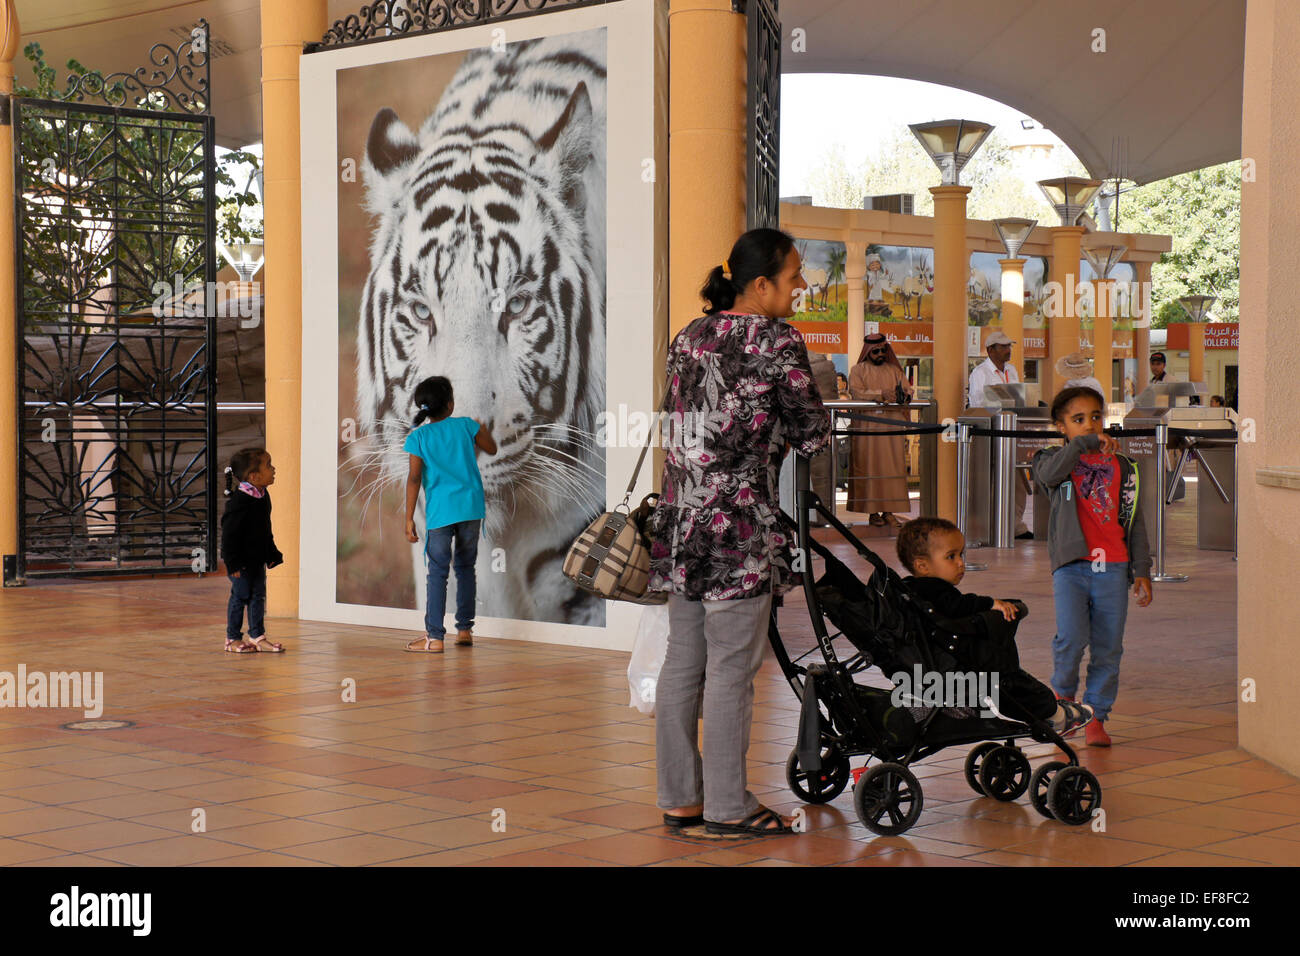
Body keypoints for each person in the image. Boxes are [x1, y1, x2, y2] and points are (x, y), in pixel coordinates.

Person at [647, 228, 831, 837]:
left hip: (679, 523)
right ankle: (729, 807)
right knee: (730, 668)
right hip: (736, 530)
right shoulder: (777, 341)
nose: (800, 287)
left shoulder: (689, 335)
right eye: (794, 276)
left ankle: (680, 799)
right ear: (761, 285)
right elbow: (810, 430)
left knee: (682, 662)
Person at [1031, 387, 1154, 747]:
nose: (1089, 425)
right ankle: (1064, 702)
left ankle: (1097, 715)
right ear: (1061, 427)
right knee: (1070, 639)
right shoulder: (1053, 459)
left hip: (1113, 567)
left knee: (1108, 646)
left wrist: (1142, 568)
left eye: (1095, 417)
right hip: (1071, 567)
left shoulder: (1123, 466)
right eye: (1078, 419)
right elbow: (1049, 477)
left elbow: (1135, 521)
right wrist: (1081, 446)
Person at [896, 518, 1094, 731]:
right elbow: (958, 605)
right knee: (1008, 678)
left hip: (923, 671)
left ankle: (1051, 712)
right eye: (950, 557)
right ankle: (1053, 714)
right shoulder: (935, 590)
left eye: (961, 554)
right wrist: (990, 603)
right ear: (922, 565)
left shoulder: (907, 592)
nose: (960, 563)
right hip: (956, 669)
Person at [403, 376, 497, 653]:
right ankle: (465, 629)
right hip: (470, 509)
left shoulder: (418, 437)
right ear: (451, 404)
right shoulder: (467, 426)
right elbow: (491, 448)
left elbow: (413, 478)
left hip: (440, 514)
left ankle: (435, 638)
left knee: (437, 573)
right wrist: (481, 427)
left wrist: (408, 518)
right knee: (466, 568)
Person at [220, 448, 285, 653]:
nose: (273, 469)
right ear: (254, 476)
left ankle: (257, 635)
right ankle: (232, 638)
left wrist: (271, 553)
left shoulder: (263, 496)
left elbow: (265, 530)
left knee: (258, 596)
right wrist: (233, 564)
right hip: (240, 562)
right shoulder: (239, 502)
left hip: (256, 560)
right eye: (268, 465)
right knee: (240, 596)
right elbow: (229, 536)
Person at [968, 330, 1031, 538]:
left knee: (1018, 477)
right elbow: (977, 404)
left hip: (1013, 430)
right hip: (991, 432)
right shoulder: (980, 373)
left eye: (1009, 346)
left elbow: (1018, 399)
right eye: (1003, 347)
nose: (1008, 350)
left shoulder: (1012, 370)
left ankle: (1016, 525)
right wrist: (998, 402)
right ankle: (991, 525)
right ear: (990, 350)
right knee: (993, 478)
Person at [848, 332, 913, 527]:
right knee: (869, 467)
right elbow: (856, 390)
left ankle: (888, 511)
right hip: (867, 427)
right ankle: (873, 512)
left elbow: (907, 389)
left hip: (891, 427)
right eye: (875, 351)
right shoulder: (858, 370)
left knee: (890, 468)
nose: (880, 354)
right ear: (867, 352)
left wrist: (903, 396)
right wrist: (880, 394)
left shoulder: (894, 370)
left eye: (883, 350)